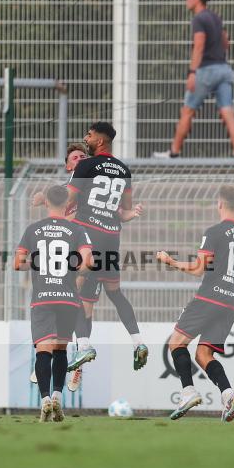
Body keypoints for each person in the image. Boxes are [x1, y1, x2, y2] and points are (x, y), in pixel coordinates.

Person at [156, 185, 234, 421]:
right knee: (203, 354)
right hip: (230, 303)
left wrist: (170, 262)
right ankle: (228, 394)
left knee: (176, 343)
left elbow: (198, 269)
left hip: (209, 297)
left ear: (219, 203)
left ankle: (188, 392)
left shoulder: (214, 232)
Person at [64, 122, 148, 378]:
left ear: (100, 140)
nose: (86, 138)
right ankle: (138, 342)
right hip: (111, 238)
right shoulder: (123, 170)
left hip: (87, 236)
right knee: (115, 293)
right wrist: (131, 213)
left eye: (89, 135)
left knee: (71, 291)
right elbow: (124, 212)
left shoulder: (86, 166)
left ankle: (83, 347)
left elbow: (68, 199)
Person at [14, 185, 93, 422]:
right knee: (60, 349)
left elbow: (17, 263)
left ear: (46, 202)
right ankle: (58, 396)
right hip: (67, 298)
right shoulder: (77, 229)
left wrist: (38, 265)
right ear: (67, 204)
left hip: (43, 298)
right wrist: (76, 272)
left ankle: (45, 400)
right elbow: (88, 262)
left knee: (43, 350)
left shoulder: (33, 230)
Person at [154, 0, 234, 159]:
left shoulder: (199, 19)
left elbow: (199, 46)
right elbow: (225, 41)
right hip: (223, 69)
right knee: (227, 111)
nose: (186, 0)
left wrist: (192, 72)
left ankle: (174, 152)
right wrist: (217, 53)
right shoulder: (215, 17)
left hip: (206, 71)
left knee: (188, 111)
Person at [29, 142, 89, 391]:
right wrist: (42, 197)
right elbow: (53, 202)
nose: (80, 160)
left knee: (76, 298)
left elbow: (82, 216)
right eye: (75, 157)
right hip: (62, 251)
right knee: (59, 298)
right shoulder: (66, 189)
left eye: (83, 156)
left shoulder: (90, 187)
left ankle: (79, 360)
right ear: (67, 165)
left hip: (83, 248)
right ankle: (48, 354)